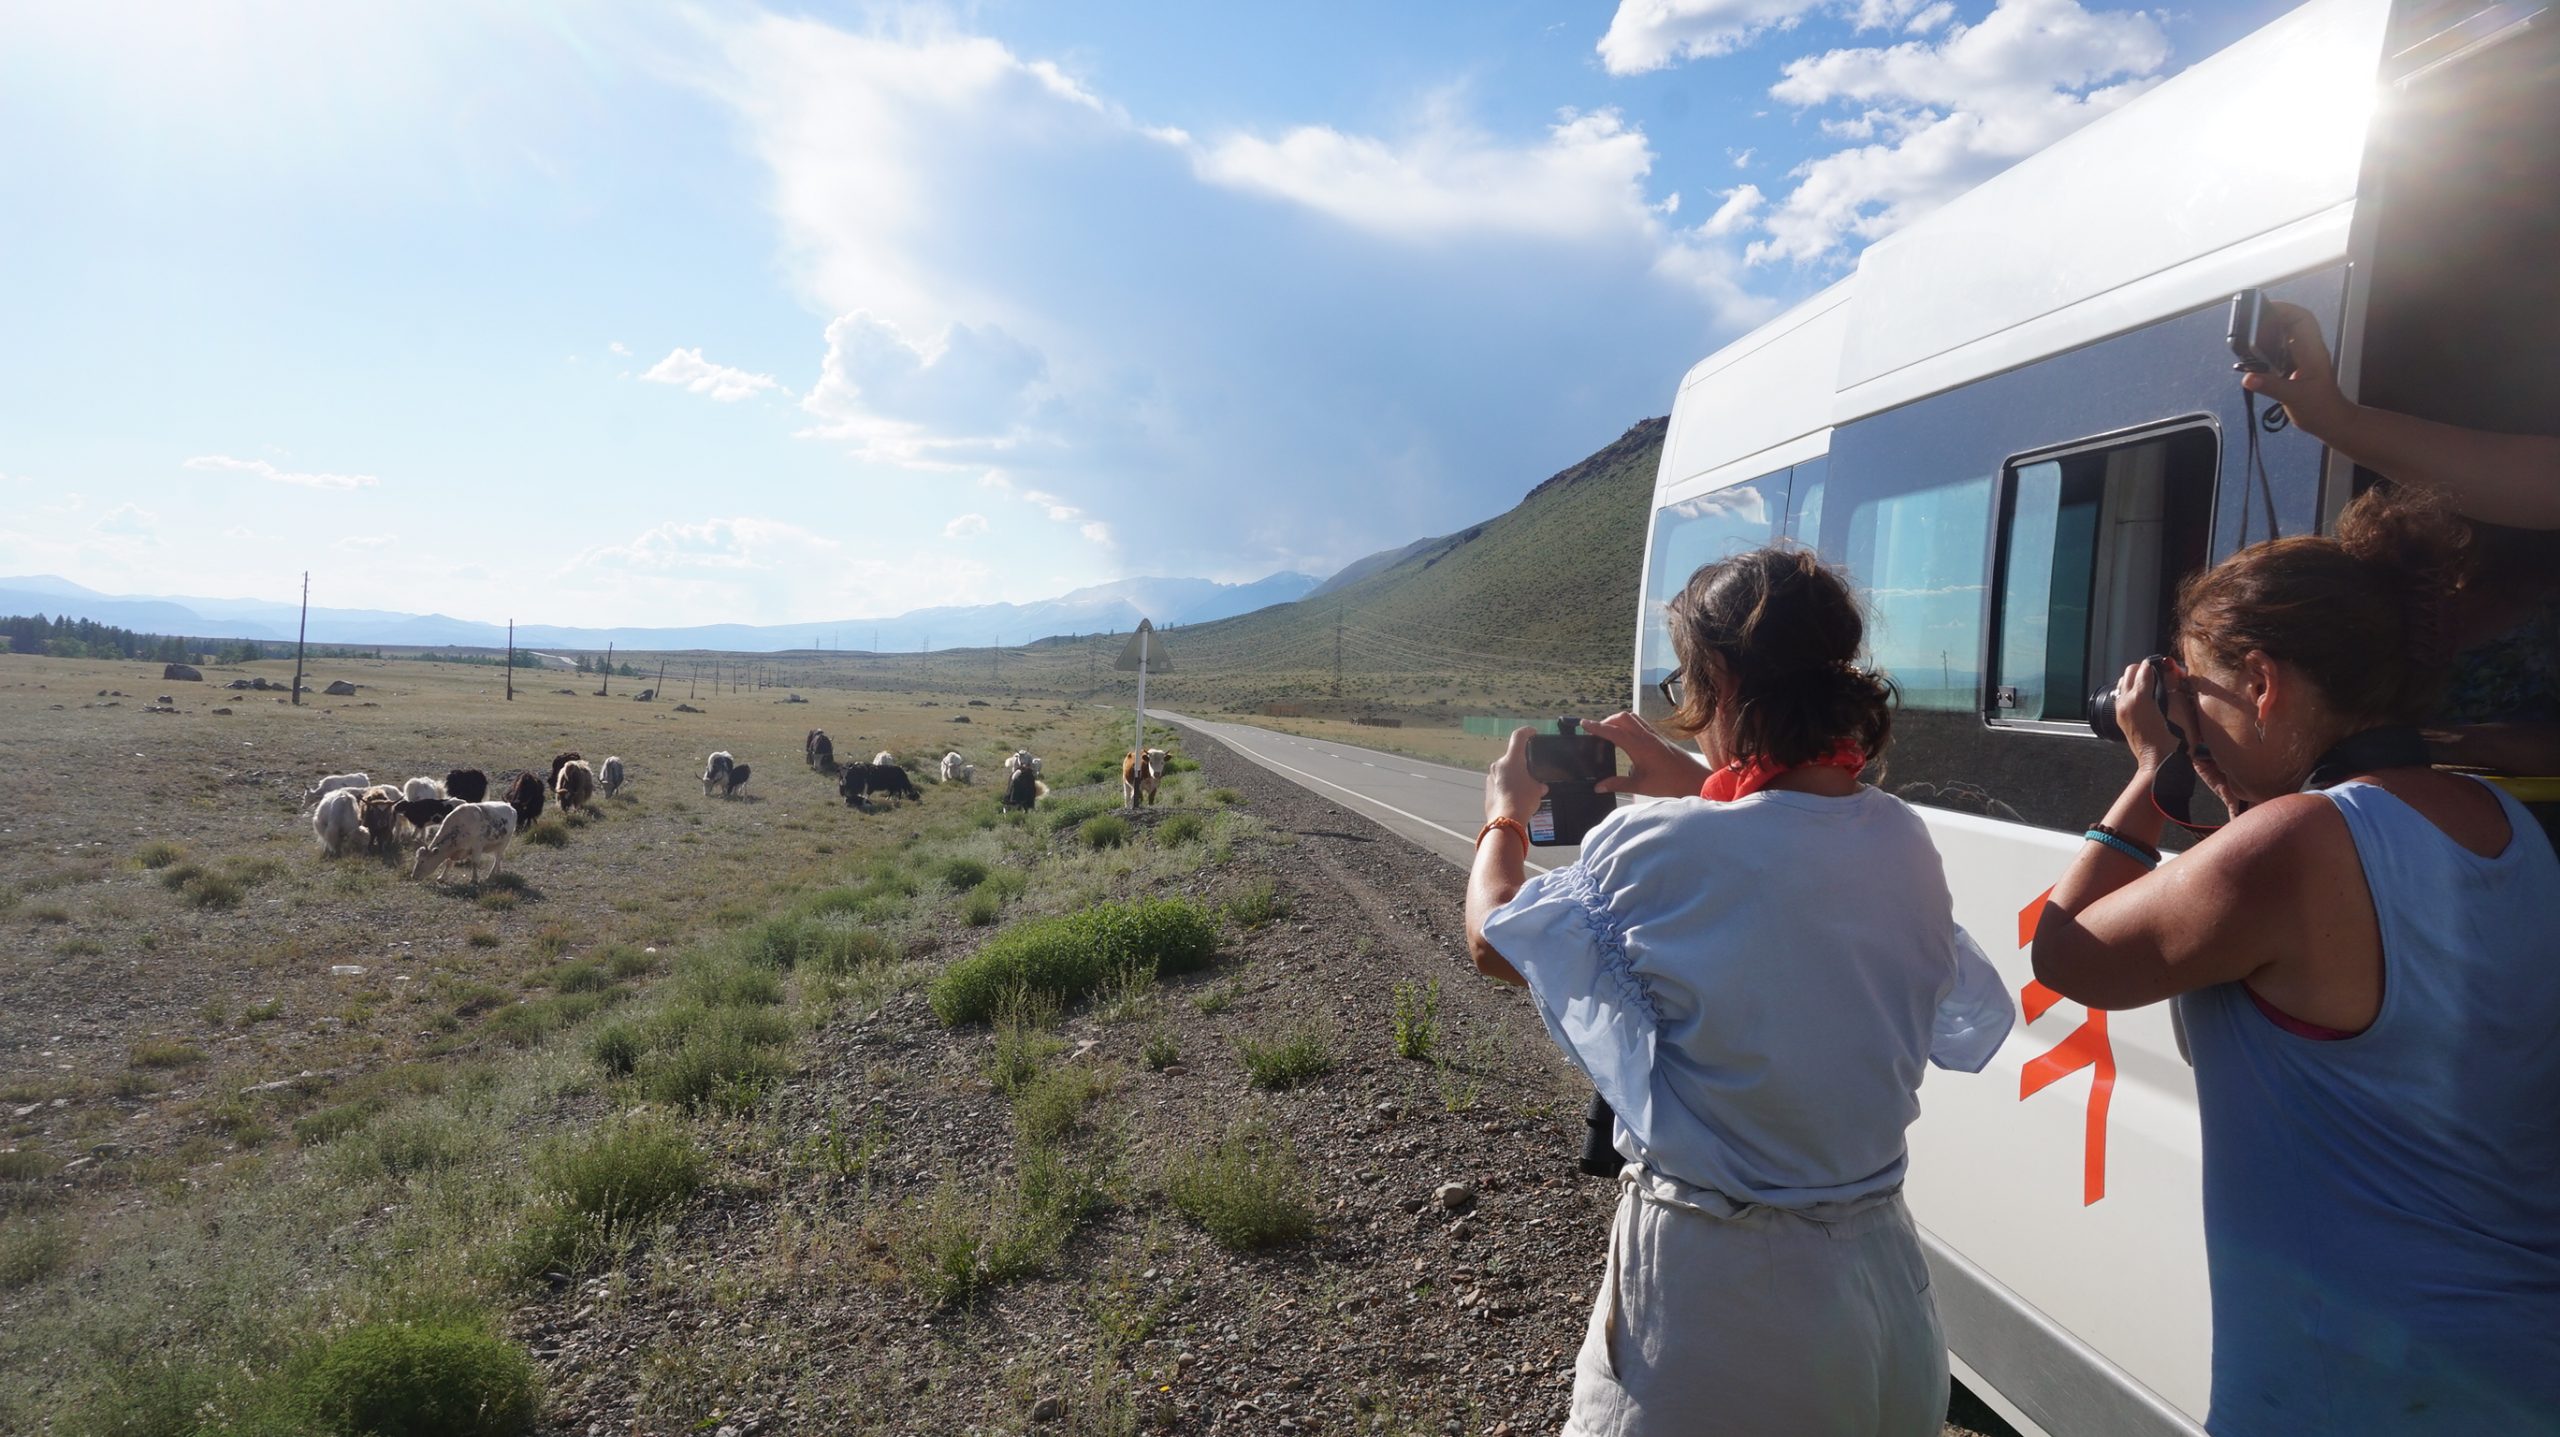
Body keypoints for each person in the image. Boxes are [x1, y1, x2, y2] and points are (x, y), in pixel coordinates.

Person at [2029, 490, 2560, 1435]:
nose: (2191, 717)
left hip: (2348, 1390)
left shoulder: (2291, 848)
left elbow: (2067, 953)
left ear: (2263, 683)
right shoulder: (2505, 826)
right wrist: (2237, 787)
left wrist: (2152, 772)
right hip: (2513, 1362)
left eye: (2199, 689)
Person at [1463, 546, 2014, 1437]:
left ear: (1715, 677)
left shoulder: (1659, 850)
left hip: (1717, 1311)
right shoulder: (1899, 838)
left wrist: (1507, 811)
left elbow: (1495, 937)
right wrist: (1693, 777)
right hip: (1885, 1305)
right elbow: (1788, 843)